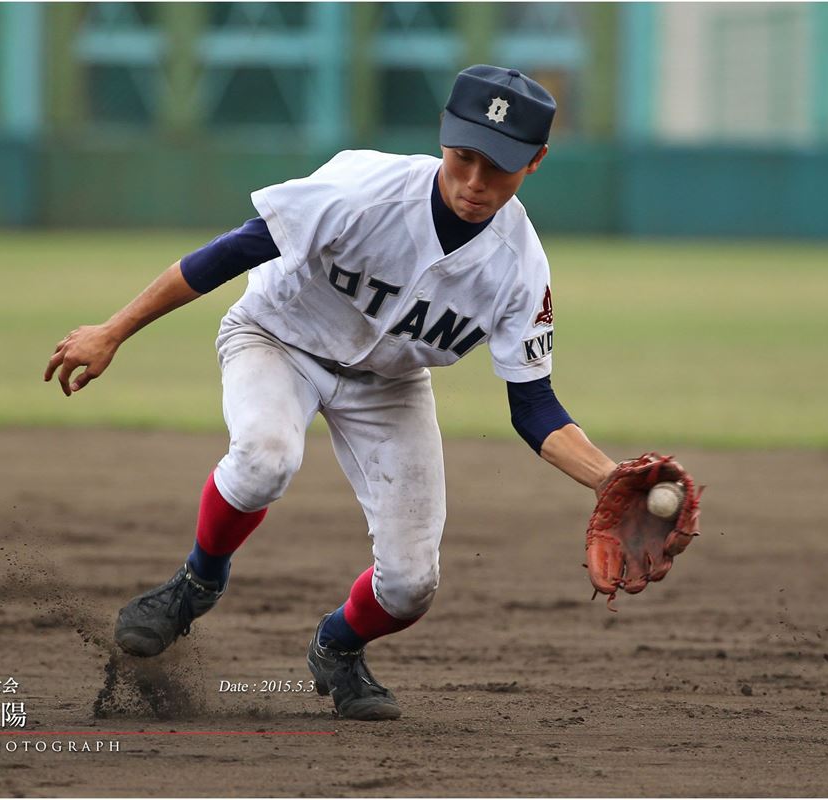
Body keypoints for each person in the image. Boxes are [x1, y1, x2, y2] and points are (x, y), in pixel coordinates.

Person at [44, 65, 617, 721]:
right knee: (265, 457)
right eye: (464, 158)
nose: (476, 183)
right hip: (277, 338)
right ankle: (195, 583)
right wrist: (114, 331)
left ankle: (338, 648)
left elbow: (533, 405)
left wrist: (606, 479)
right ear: (443, 137)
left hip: (391, 387)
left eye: (501, 167)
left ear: (537, 161)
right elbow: (231, 252)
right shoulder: (362, 192)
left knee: (411, 586)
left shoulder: (520, 268)